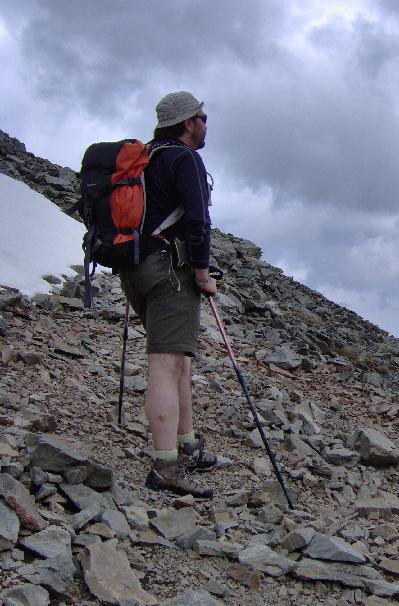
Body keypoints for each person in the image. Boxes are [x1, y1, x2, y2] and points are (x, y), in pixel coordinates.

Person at [119, 91, 218, 498]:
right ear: (186, 123)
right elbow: (197, 220)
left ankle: (187, 443)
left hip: (135, 269)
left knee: (178, 361)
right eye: (202, 117)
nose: (206, 123)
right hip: (170, 271)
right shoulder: (185, 159)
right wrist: (201, 272)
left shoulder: (146, 157)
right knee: (165, 362)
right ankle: (165, 466)